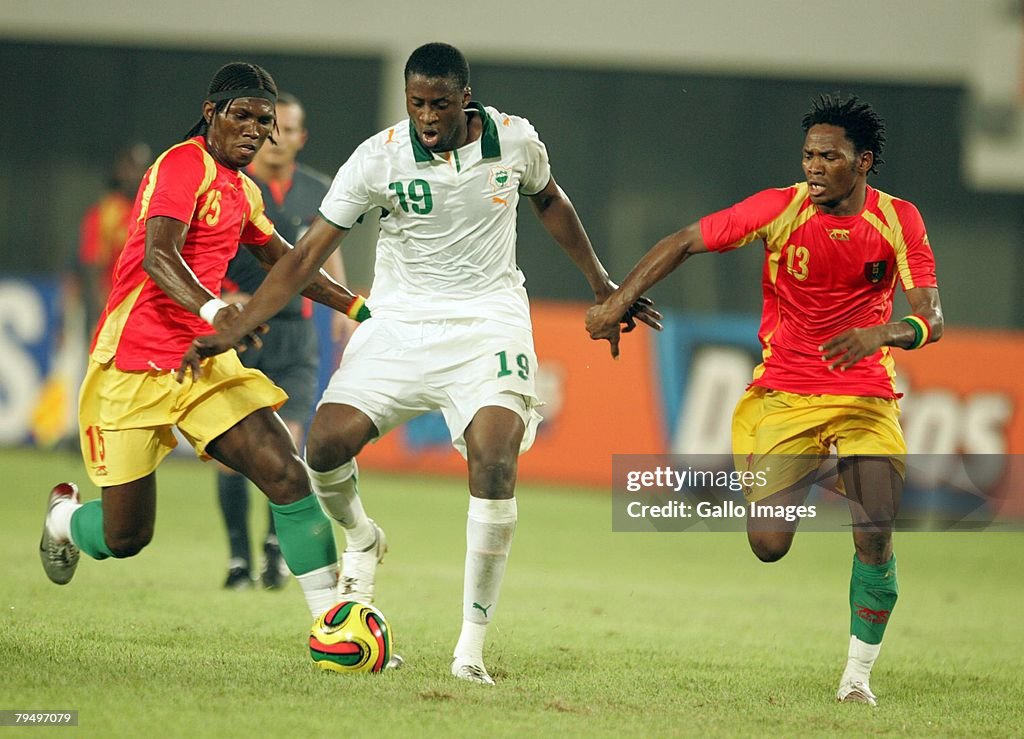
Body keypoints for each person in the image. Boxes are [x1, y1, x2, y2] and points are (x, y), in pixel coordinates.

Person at [179, 42, 659, 685]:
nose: (426, 117)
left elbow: (551, 203)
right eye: (416, 103)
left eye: (438, 103)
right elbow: (304, 254)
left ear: (466, 97)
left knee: (494, 457)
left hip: (488, 321)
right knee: (322, 446)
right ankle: (361, 538)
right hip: (400, 320)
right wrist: (237, 319)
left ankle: (470, 649)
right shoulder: (377, 157)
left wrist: (603, 285)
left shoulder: (515, 140)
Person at [586, 94, 943, 707]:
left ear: (864, 163)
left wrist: (880, 334)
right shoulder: (778, 210)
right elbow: (684, 241)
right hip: (784, 393)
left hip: (863, 395)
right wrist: (618, 301)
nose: (813, 166)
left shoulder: (899, 220)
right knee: (768, 544)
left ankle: (856, 678)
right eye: (808, 154)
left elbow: (931, 320)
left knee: (875, 532)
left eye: (829, 157)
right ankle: (834, 474)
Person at [38, 62, 374, 629]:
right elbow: (158, 255)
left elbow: (290, 263)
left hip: (201, 363)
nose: (254, 130)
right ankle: (64, 521)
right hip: (133, 363)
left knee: (286, 474)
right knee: (126, 536)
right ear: (211, 112)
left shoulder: (243, 190)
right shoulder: (180, 163)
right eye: (241, 115)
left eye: (264, 122)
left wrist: (361, 310)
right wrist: (220, 310)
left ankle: (333, 627)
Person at [215, 91, 352, 591]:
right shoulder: (232, 186)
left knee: (287, 445)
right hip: (241, 329)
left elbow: (325, 252)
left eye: (288, 130)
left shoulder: (318, 189)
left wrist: (344, 308)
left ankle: (274, 550)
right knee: (233, 451)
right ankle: (237, 560)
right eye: (272, 129)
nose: (277, 139)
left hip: (295, 333)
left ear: (300, 137)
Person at [77, 143, 153, 334]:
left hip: (147, 311)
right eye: (132, 167)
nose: (137, 175)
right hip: (113, 310)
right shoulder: (104, 213)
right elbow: (92, 268)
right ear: (121, 170)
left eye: (143, 168)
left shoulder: (155, 209)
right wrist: (101, 314)